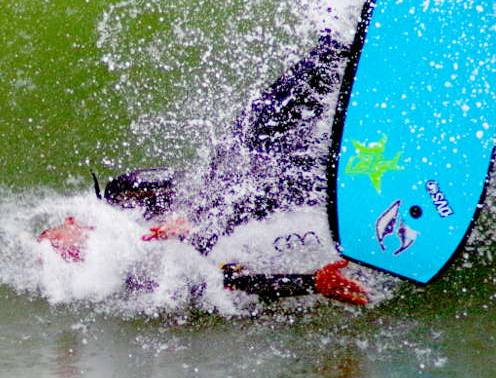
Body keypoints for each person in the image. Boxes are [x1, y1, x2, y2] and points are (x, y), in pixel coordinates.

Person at [39, 33, 369, 305]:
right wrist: (313, 283)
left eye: (56, 242)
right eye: (64, 258)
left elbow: (191, 181)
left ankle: (351, 27)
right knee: (299, 182)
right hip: (273, 205)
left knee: (259, 121)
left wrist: (192, 217)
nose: (66, 253)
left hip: (244, 162)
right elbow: (231, 280)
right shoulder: (144, 276)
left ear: (71, 220)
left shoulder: (122, 194)